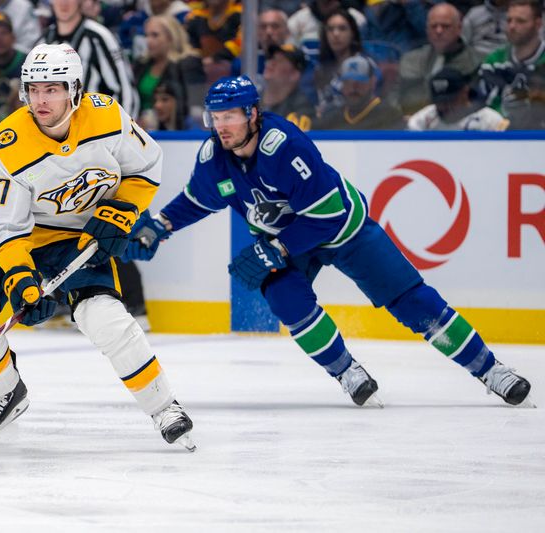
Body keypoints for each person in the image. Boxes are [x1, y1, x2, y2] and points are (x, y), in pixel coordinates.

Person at [124, 75, 532, 409]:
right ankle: (347, 372)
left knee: (413, 301)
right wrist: (160, 225)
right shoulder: (214, 156)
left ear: (253, 114)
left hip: (343, 230)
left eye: (231, 115)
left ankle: (491, 370)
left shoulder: (285, 147)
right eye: (216, 116)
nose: (221, 126)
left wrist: (278, 248)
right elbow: (198, 199)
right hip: (285, 239)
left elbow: (328, 215)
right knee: (285, 299)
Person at [0, 43, 195, 450]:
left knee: (105, 317)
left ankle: (164, 406)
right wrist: (21, 275)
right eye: (33, 89)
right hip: (22, 234)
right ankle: (5, 391)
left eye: (52, 89)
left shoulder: (107, 118)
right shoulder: (7, 144)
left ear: (74, 90)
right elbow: (7, 227)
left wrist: (121, 211)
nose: (40, 100)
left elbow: (147, 166)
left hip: (78, 235)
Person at [40, 0, 140, 118]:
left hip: (96, 128)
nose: (64, 3)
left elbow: (126, 92)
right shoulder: (43, 42)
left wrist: (117, 131)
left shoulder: (100, 37)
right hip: (56, 131)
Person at [397, 2, 482, 115]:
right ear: (427, 29)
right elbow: (396, 96)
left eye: (445, 26)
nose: (439, 31)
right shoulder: (410, 60)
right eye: (434, 26)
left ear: (459, 28)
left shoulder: (475, 62)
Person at [479, 0, 545, 115]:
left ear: (538, 24)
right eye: (509, 20)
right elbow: (482, 104)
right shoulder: (494, 61)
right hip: (500, 129)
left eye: (520, 21)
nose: (512, 26)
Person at [316, 55, 404, 130]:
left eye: (359, 82)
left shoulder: (390, 115)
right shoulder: (332, 117)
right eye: (348, 82)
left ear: (372, 82)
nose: (353, 88)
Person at [407, 67, 509, 130]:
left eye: (450, 100)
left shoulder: (489, 120)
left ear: (464, 92)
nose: (444, 106)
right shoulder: (425, 119)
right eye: (439, 102)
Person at [261, 43, 315, 131]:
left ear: (295, 74)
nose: (271, 63)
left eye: (280, 60)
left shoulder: (302, 108)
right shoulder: (253, 99)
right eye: (271, 58)